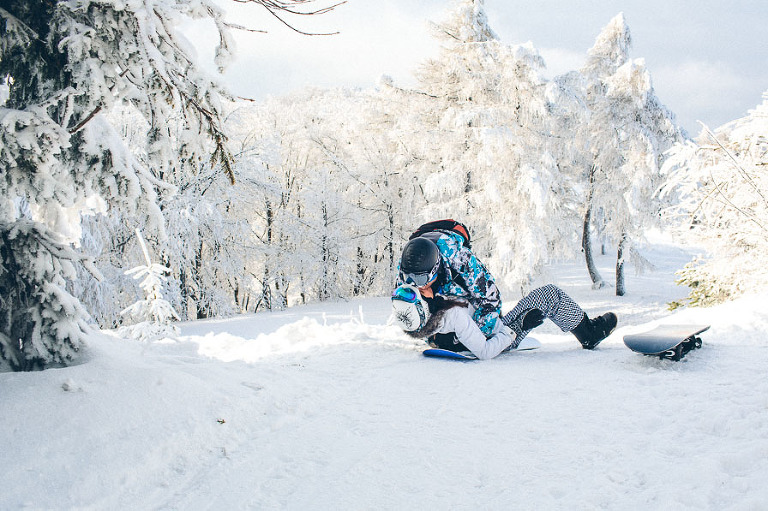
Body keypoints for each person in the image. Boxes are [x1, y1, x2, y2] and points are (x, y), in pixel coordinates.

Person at [391, 225, 617, 360]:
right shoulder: (410, 270)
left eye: (420, 278)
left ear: (436, 266)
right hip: (467, 332)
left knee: (478, 306)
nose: (414, 283)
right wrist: (506, 334)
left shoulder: (459, 260)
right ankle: (591, 334)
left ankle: (583, 331)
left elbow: (490, 299)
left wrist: (484, 330)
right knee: (550, 296)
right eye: (409, 277)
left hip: (466, 324)